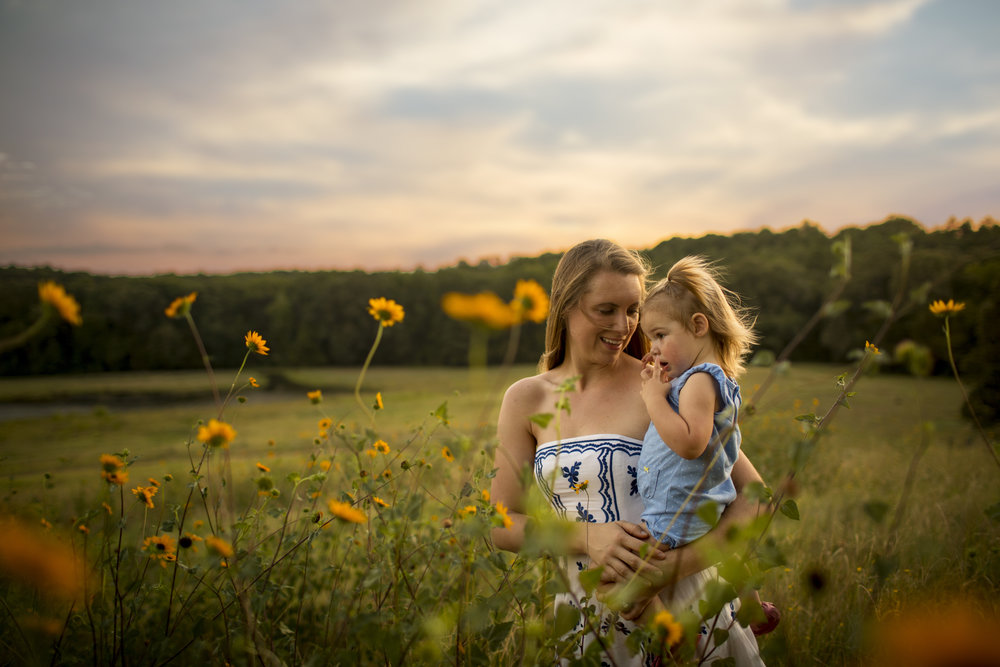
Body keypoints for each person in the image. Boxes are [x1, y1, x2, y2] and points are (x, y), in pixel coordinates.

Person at [490, 239, 769, 665]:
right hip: (586, 623)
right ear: (566, 306)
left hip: (689, 607)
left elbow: (755, 496)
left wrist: (667, 572)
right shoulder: (525, 399)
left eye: (633, 310)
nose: (624, 326)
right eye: (606, 310)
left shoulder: (661, 385)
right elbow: (500, 524)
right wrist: (587, 537)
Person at [633, 256, 774, 661]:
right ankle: (750, 605)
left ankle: (672, 638)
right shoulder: (711, 378)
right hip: (705, 505)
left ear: (698, 325)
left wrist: (654, 399)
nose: (653, 348)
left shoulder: (698, 380)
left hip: (675, 515)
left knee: (623, 582)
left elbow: (691, 443)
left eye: (660, 335)